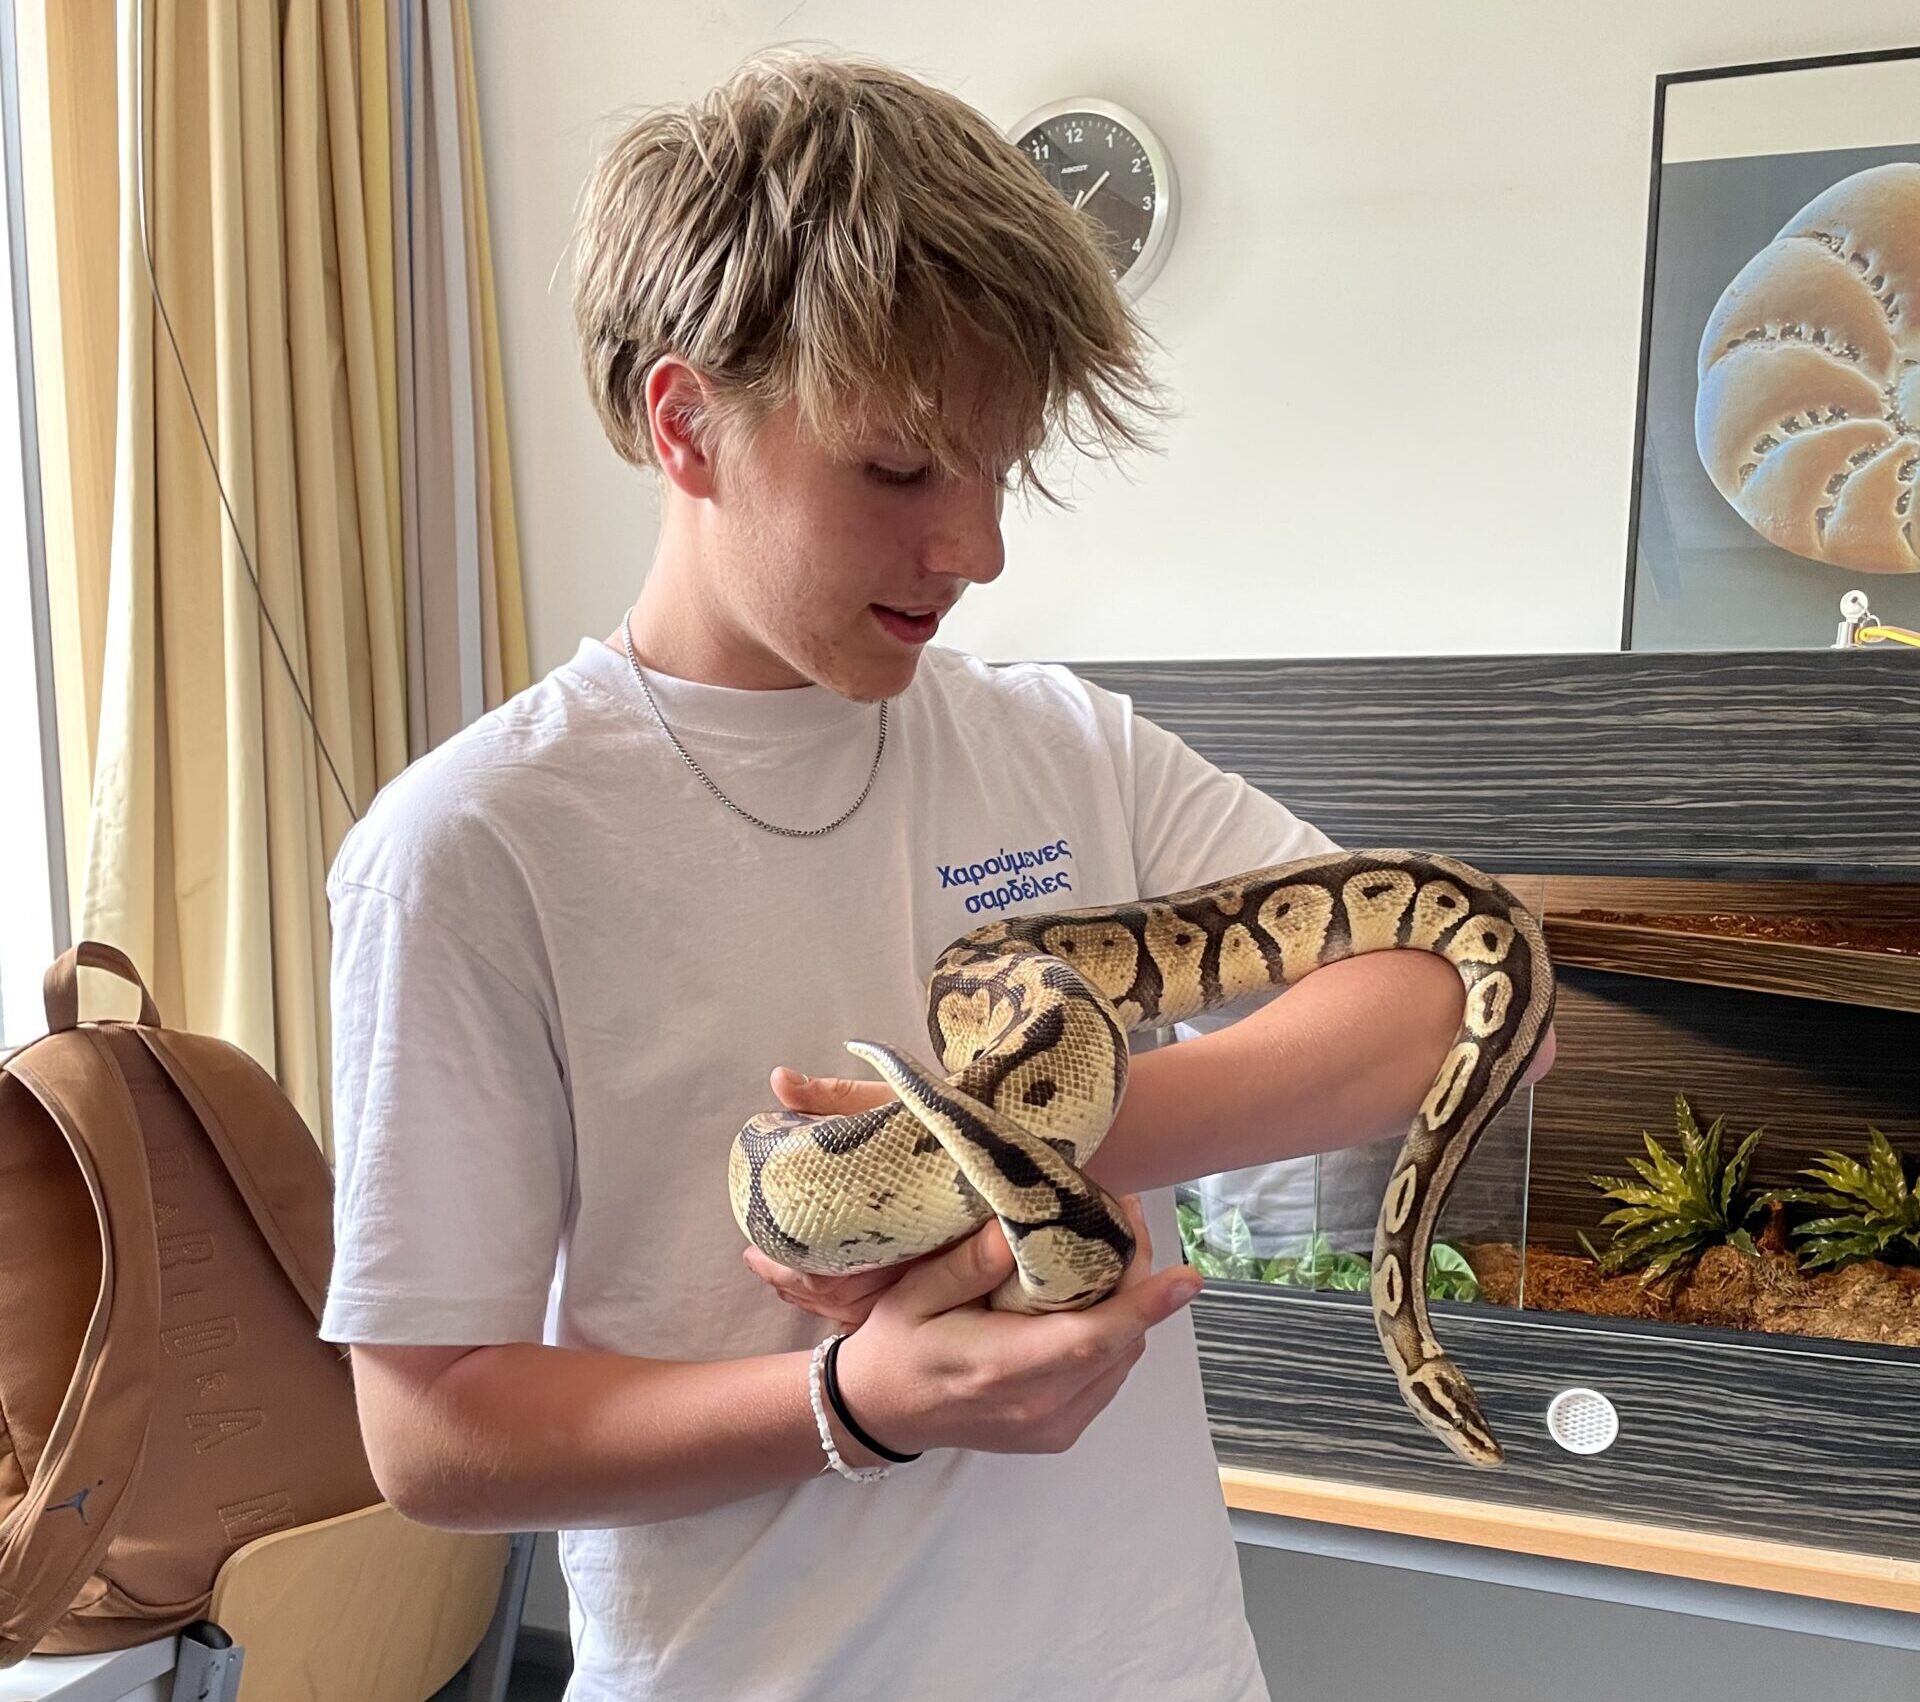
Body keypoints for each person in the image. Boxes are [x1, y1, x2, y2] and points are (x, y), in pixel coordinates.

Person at [320, 49, 1552, 1702]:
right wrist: (852, 1404)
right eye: (900, 468)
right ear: (687, 424)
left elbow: (1478, 997)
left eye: (1001, 467)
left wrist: (1027, 1138)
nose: (976, 549)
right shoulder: (471, 848)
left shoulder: (1064, 743)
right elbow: (431, 1432)